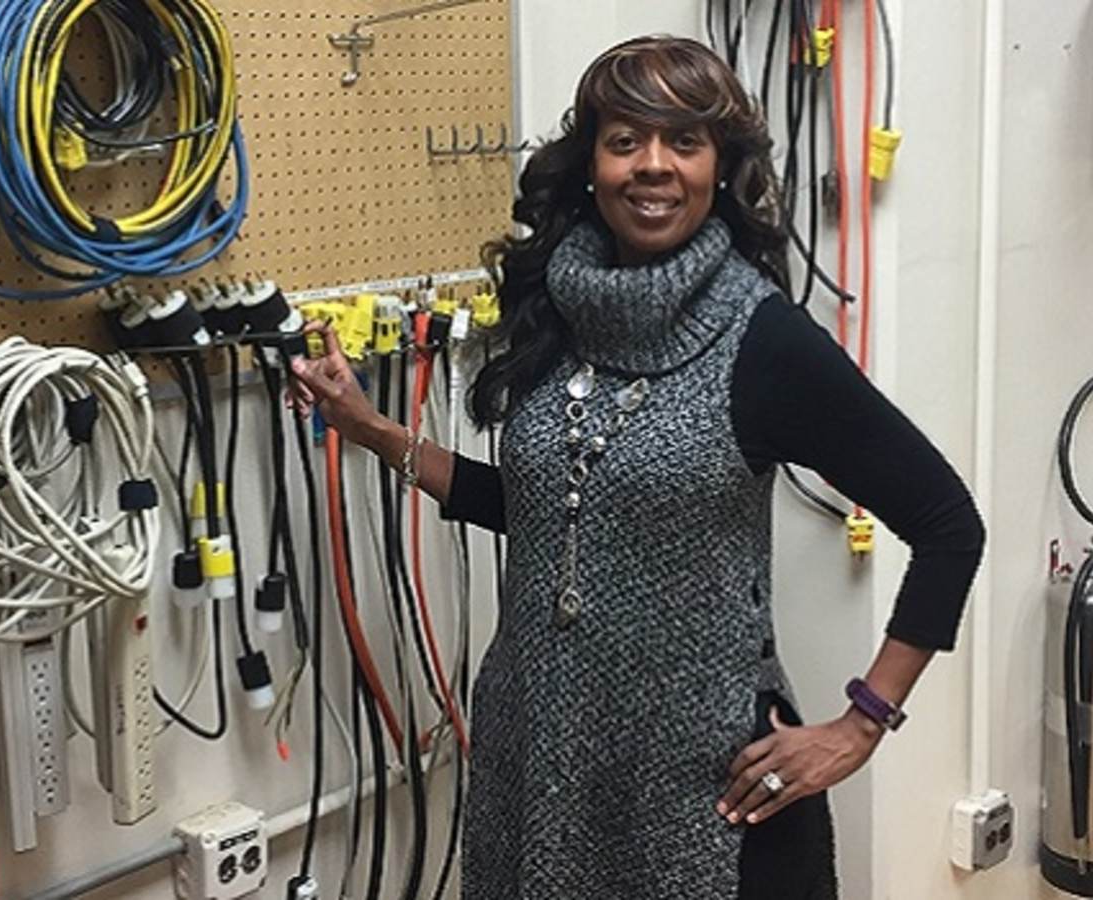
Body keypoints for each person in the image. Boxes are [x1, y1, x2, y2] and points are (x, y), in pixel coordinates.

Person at [289, 35, 985, 900]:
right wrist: (367, 427)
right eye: (626, 141)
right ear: (590, 166)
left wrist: (861, 724)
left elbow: (950, 526)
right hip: (537, 761)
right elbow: (552, 505)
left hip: (704, 796)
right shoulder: (555, 311)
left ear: (717, 168)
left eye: (683, 142)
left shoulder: (763, 341)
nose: (653, 166)